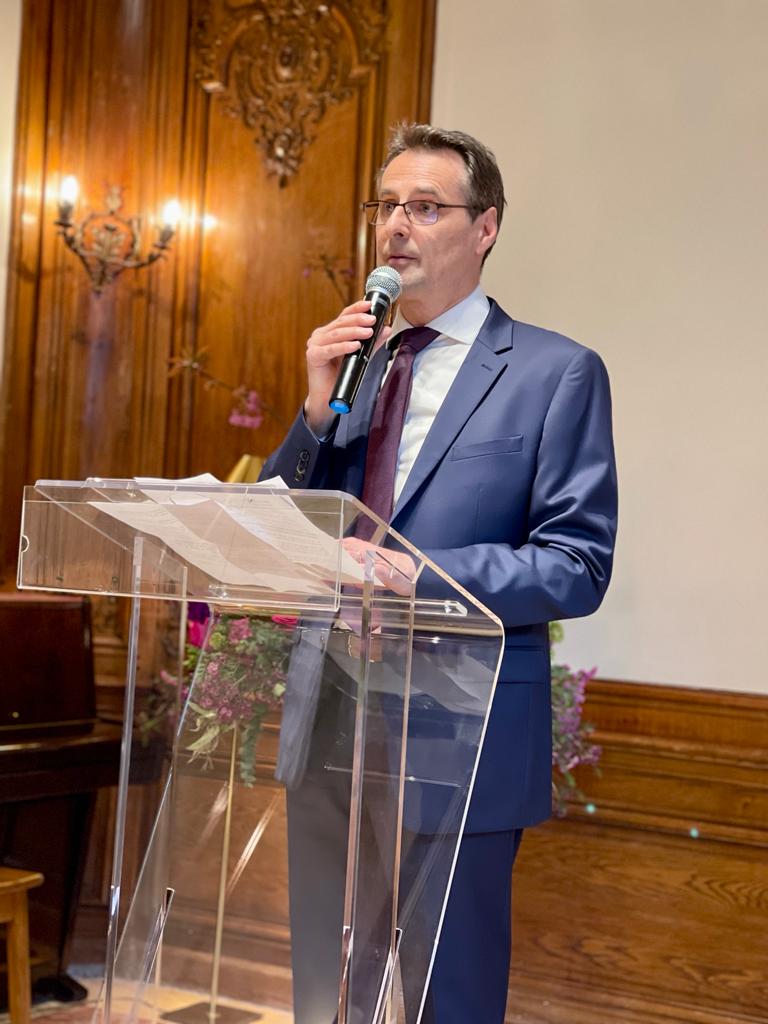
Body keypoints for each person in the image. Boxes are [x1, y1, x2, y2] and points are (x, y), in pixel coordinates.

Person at [261, 123, 618, 1023]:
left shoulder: (553, 373)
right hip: (334, 717)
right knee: (327, 988)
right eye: (386, 206)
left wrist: (412, 572)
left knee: (444, 995)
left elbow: (576, 562)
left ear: (485, 227)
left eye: (425, 207)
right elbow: (278, 522)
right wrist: (312, 410)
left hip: (459, 730)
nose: (395, 227)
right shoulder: (356, 369)